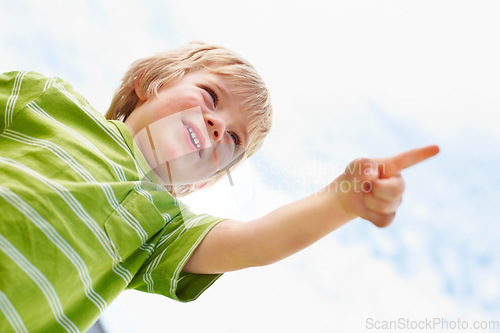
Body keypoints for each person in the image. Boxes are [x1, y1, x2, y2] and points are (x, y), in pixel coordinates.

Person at [0, 42, 439, 332]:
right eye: (211, 97)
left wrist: (341, 198)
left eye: (233, 139)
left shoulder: (163, 229)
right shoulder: (49, 101)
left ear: (205, 180)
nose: (217, 125)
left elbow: (253, 243)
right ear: (153, 82)